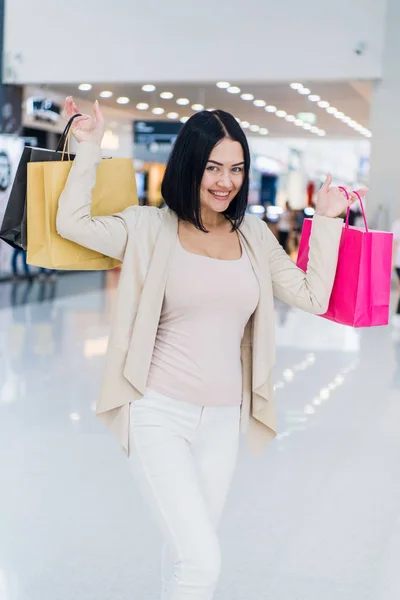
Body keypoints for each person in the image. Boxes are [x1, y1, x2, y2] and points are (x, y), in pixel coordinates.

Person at [57, 96, 365, 600]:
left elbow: (312, 295)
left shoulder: (254, 237)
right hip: (156, 412)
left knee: (184, 557)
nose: (226, 181)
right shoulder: (149, 228)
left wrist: (328, 220)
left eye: (237, 169)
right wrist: (87, 147)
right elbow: (72, 226)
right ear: (189, 166)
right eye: (213, 167)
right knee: (202, 562)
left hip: (222, 420)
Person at [392, 217, 400, 326]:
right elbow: (394, 243)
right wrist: (392, 261)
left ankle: (398, 313)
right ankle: (398, 313)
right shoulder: (397, 224)